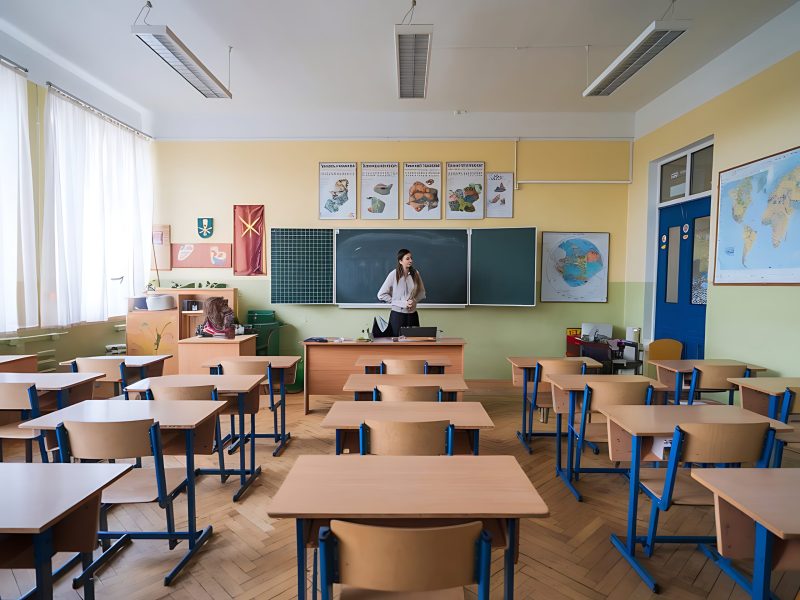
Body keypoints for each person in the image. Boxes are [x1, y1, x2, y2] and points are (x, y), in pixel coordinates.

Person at [377, 248, 426, 338]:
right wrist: (401, 303)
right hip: (397, 316)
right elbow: (381, 295)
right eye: (407, 258)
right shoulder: (393, 274)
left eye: (411, 258)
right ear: (400, 261)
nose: (411, 260)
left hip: (412, 315)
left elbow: (422, 292)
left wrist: (414, 300)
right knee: (397, 345)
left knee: (415, 343)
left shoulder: (416, 274)